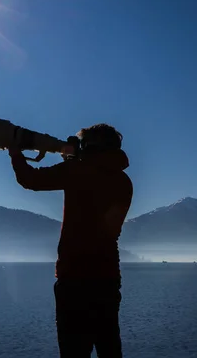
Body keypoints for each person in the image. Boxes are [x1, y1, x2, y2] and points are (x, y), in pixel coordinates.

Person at [9, 123, 133, 358]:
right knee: (110, 349)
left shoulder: (78, 171)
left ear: (91, 147)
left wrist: (15, 152)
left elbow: (29, 179)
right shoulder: (124, 182)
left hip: (75, 280)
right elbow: (92, 189)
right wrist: (75, 160)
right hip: (107, 279)